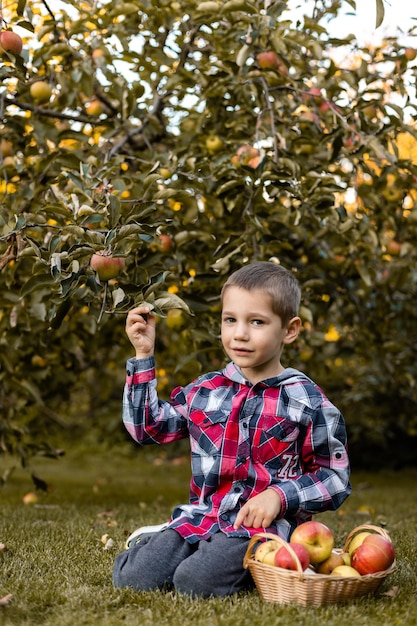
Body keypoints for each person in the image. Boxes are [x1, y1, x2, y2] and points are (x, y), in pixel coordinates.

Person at [112, 261, 351, 598]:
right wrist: (143, 354)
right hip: (203, 516)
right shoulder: (207, 390)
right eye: (230, 320)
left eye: (257, 322)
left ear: (290, 329)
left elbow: (334, 477)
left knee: (195, 583)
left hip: (258, 529)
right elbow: (148, 428)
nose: (239, 333)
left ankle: (259, 564)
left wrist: (279, 496)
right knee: (133, 577)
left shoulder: (306, 399)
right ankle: (174, 540)